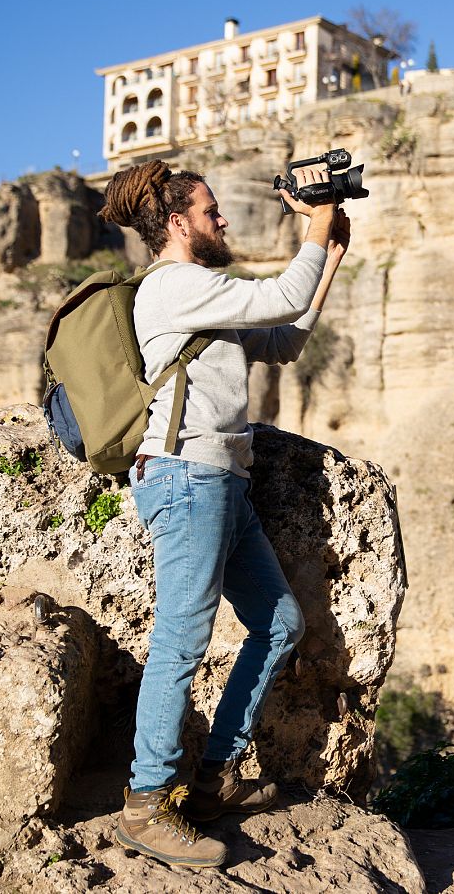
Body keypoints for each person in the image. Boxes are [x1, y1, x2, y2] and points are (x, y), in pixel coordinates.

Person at [96, 159, 351, 868]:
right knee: (181, 638)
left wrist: (328, 252)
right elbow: (279, 294)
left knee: (280, 623)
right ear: (178, 224)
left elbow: (287, 338)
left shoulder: (203, 296)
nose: (223, 220)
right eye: (212, 211)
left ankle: (209, 781)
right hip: (185, 476)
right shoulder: (175, 286)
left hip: (221, 482)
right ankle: (146, 803)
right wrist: (316, 225)